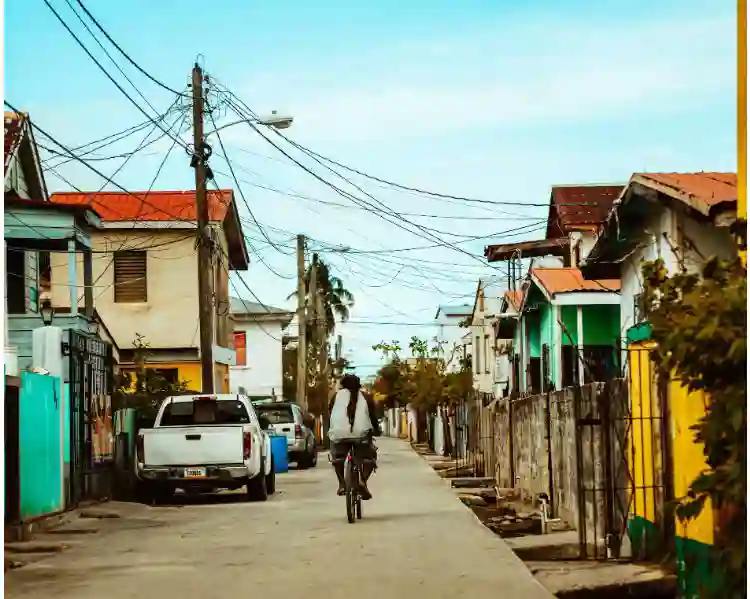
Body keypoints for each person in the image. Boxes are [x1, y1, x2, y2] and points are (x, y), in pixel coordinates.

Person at [328, 374, 381, 499]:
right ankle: (362, 481)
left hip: (339, 434)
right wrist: (377, 430)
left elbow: (331, 415)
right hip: (361, 435)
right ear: (359, 384)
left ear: (343, 385)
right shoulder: (366, 397)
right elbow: (372, 417)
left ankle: (342, 484)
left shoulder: (336, 397)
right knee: (369, 458)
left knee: (338, 458)